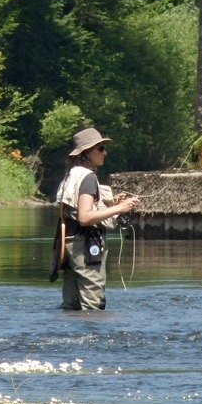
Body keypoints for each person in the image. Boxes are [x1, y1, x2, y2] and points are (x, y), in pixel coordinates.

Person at [52, 127, 140, 310]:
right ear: (86, 152)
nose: (105, 153)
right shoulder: (88, 178)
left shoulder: (71, 175)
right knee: (93, 305)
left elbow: (77, 211)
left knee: (71, 305)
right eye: (100, 148)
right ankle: (91, 337)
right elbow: (84, 217)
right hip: (85, 246)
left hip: (68, 245)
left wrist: (111, 203)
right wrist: (120, 208)